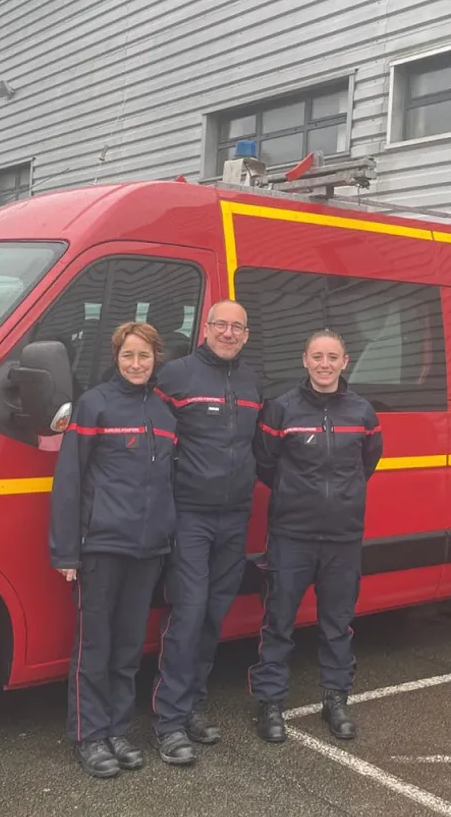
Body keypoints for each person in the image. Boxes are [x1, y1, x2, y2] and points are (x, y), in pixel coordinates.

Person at [49, 322, 179, 778]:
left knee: (127, 648)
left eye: (144, 356)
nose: (136, 364)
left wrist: (168, 538)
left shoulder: (165, 413)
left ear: (155, 358)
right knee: (95, 648)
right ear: (117, 357)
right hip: (101, 548)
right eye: (128, 356)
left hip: (148, 552)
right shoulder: (94, 405)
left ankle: (119, 730)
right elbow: (69, 481)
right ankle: (89, 736)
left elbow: (170, 485)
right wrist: (67, 553)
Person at [247, 329, 383, 744]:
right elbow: (266, 465)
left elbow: (368, 462)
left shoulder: (362, 412)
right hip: (292, 535)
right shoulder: (281, 410)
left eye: (333, 357)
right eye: (317, 356)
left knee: (336, 625)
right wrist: (298, 496)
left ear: (345, 362)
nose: (325, 364)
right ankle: (270, 704)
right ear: (304, 360)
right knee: (278, 623)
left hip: (342, 537)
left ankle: (336, 699)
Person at [150, 299, 263, 765]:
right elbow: (151, 440)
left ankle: (191, 703)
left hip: (235, 515)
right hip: (191, 516)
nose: (229, 333)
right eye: (221, 324)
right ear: (206, 327)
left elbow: (262, 444)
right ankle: (169, 721)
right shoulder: (175, 376)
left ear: (246, 334)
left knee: (215, 614)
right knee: (190, 613)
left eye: (238, 326)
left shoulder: (253, 381)